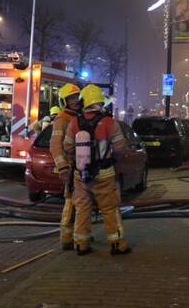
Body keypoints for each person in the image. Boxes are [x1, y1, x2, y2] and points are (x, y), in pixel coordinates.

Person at [65, 84, 131, 256]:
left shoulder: (74, 123)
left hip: (81, 174)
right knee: (109, 208)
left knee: (82, 208)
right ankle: (117, 243)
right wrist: (113, 159)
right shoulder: (110, 123)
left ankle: (81, 244)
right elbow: (120, 148)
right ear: (100, 102)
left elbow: (67, 147)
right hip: (104, 174)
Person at [49, 84, 82, 249]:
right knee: (71, 202)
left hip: (81, 165)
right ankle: (67, 238)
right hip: (70, 166)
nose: (75, 101)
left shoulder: (78, 116)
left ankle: (79, 236)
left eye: (76, 97)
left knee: (81, 203)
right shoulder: (63, 118)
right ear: (64, 101)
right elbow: (55, 145)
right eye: (71, 98)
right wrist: (63, 167)